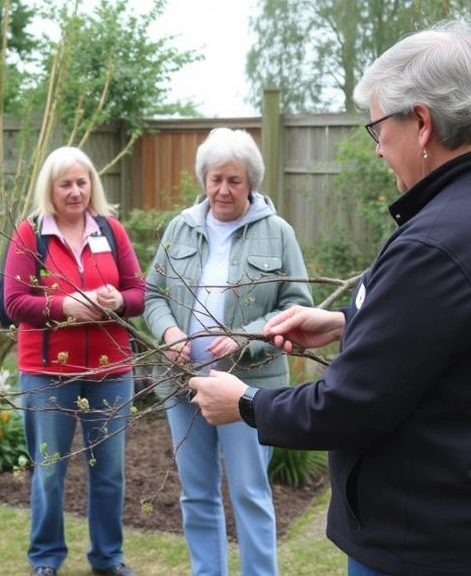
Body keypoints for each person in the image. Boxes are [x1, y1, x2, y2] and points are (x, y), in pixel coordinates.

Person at [188, 20, 471, 576]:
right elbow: (463, 328)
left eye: (377, 129)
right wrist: (348, 319)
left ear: (421, 122)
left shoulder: (439, 242)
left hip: (427, 542)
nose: (377, 151)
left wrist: (246, 404)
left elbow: (348, 407)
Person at [143, 127, 312, 576]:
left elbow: (297, 305)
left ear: (250, 182)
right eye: (215, 178)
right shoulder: (181, 228)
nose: (223, 190)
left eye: (234, 180)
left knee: (250, 494)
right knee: (196, 494)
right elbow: (152, 294)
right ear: (204, 179)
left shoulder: (277, 233)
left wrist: (245, 337)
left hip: (249, 389)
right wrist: (170, 334)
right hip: (185, 385)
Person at [2, 146, 145, 576]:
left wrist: (119, 299)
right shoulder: (30, 234)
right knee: (49, 470)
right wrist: (64, 306)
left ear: (92, 186)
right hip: (49, 373)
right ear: (50, 188)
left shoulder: (111, 231)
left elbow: (141, 293)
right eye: (65, 184)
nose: (75, 191)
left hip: (110, 370)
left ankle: (108, 557)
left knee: (109, 471)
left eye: (82, 182)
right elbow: (13, 302)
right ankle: (45, 558)